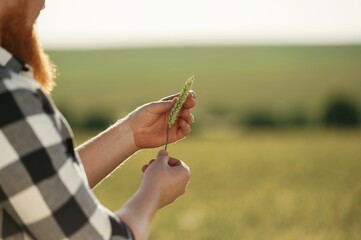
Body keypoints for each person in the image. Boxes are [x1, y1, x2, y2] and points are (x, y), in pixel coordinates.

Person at [0, 0, 196, 239]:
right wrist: (154, 192)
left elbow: (37, 182)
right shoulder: (9, 99)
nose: (43, 5)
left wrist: (131, 134)